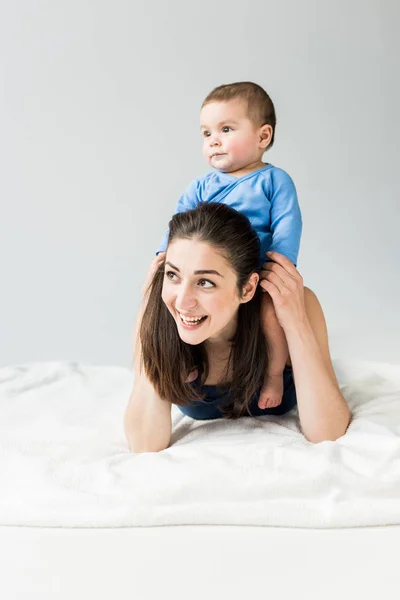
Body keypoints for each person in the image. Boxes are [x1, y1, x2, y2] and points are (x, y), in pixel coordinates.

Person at [124, 203, 351, 453]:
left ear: (247, 289)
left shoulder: (293, 308)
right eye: (173, 276)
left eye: (205, 282)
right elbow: (145, 444)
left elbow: (328, 432)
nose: (182, 301)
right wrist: (152, 317)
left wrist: (295, 324)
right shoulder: (159, 311)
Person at [156, 81, 302, 411]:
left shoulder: (272, 180)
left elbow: (288, 222)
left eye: (225, 129)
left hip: (257, 272)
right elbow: (181, 223)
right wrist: (163, 255)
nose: (214, 141)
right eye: (206, 133)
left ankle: (275, 374)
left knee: (269, 318)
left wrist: (281, 263)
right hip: (212, 277)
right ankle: (189, 366)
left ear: (263, 137)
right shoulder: (201, 185)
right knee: (185, 310)